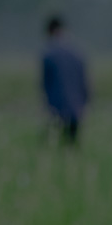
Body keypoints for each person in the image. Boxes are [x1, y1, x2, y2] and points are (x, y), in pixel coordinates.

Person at [40, 15, 90, 145]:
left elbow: (45, 84)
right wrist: (84, 104)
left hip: (56, 109)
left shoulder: (48, 55)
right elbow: (84, 83)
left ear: (50, 31)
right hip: (75, 108)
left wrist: (47, 106)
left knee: (53, 146)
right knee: (71, 146)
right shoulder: (78, 53)